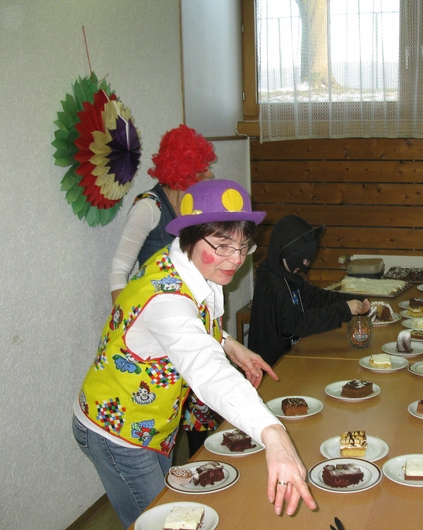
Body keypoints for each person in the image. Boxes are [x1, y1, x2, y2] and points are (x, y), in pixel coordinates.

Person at [73, 180, 317, 528]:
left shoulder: (190, 263)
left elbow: (195, 323)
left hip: (151, 426)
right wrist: (274, 435)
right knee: (160, 522)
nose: (236, 259)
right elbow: (207, 371)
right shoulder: (167, 299)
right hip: (117, 433)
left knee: (169, 509)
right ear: (189, 236)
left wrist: (229, 343)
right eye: (223, 246)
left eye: (243, 245)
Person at [110, 124, 216, 304]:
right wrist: (122, 315)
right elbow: (119, 270)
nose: (209, 174)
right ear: (184, 172)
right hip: (154, 306)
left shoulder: (197, 206)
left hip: (190, 304)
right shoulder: (148, 208)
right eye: (201, 169)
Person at [249, 215, 371, 366]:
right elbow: (296, 324)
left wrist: (351, 299)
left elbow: (314, 297)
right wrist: (343, 309)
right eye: (301, 262)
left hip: (291, 355)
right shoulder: (272, 282)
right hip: (271, 365)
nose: (302, 267)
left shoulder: (288, 273)